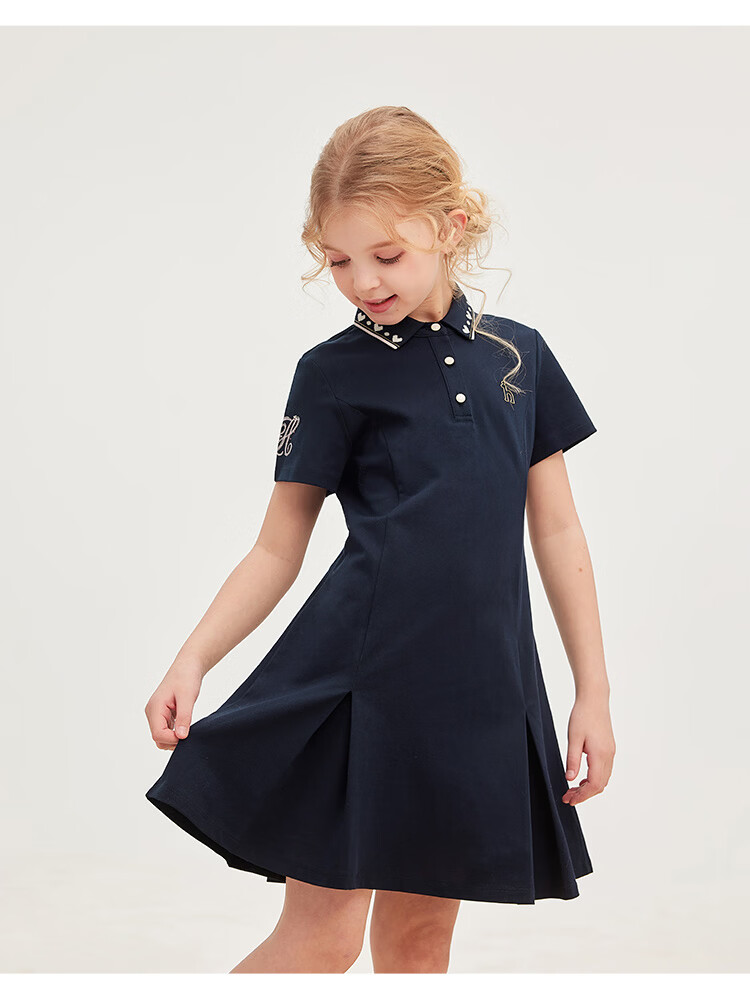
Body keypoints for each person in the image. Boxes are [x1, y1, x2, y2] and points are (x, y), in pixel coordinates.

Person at [144, 105, 615, 974]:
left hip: (479, 690)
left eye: (386, 255)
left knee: (419, 946)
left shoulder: (519, 358)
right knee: (321, 941)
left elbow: (557, 529)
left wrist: (594, 689)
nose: (362, 280)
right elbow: (278, 545)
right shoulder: (331, 373)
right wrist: (193, 658)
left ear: (452, 225)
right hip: (359, 683)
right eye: (338, 260)